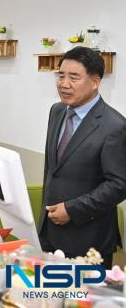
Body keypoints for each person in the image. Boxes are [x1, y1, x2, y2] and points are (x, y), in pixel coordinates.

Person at [38, 46, 126, 268]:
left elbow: (119, 184)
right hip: (49, 231)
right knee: (46, 299)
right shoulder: (57, 111)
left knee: (80, 302)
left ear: (95, 82)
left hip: (88, 241)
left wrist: (72, 209)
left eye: (73, 77)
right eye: (61, 75)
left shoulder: (114, 126)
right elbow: (52, 169)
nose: (64, 84)